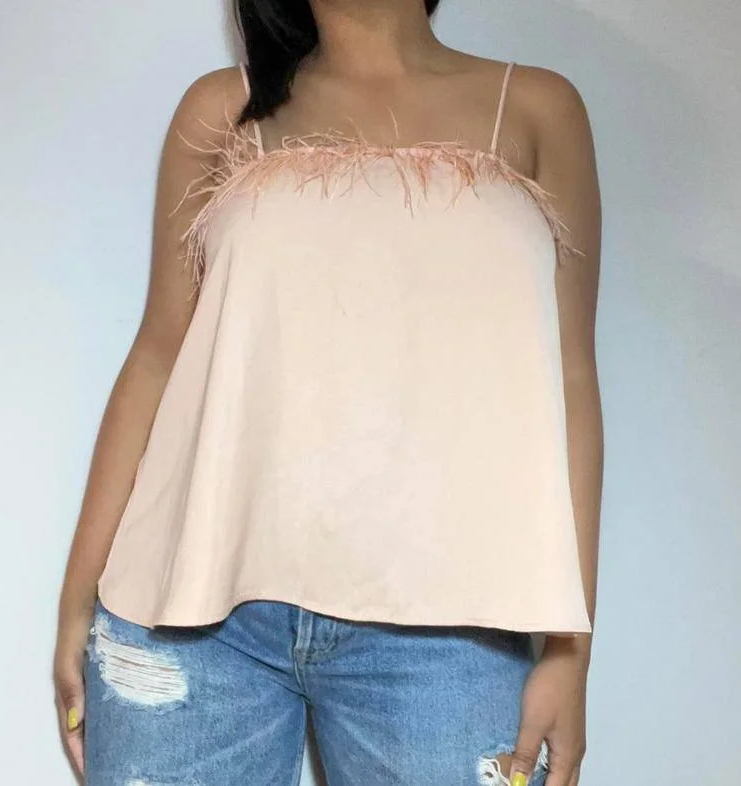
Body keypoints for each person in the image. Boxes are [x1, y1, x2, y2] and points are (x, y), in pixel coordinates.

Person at [53, 1, 603, 784]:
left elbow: (572, 380)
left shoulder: (540, 107)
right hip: (188, 615)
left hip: (454, 632)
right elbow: (158, 354)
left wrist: (571, 650)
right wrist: (78, 597)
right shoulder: (223, 107)